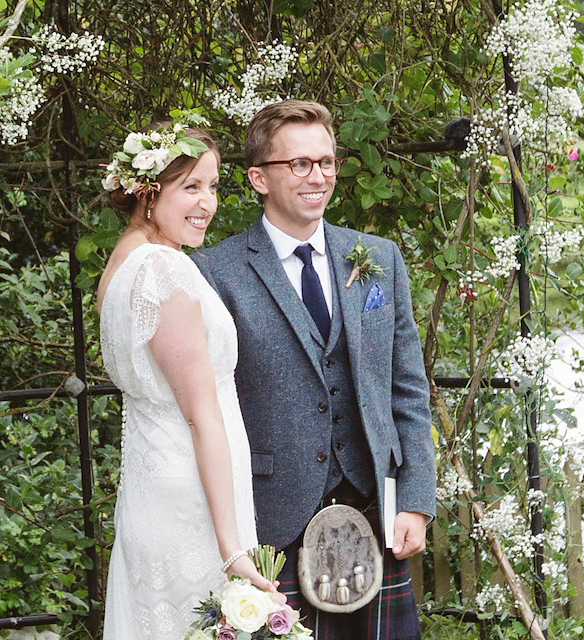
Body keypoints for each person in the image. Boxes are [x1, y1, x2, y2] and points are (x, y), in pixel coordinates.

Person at [193, 100, 435, 639]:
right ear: (258, 177)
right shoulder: (216, 272)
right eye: (299, 164)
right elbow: (206, 407)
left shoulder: (377, 258)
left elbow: (408, 390)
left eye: (326, 162)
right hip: (273, 520)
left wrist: (415, 499)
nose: (318, 176)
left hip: (374, 512)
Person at [96, 118, 279, 639]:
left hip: (156, 492)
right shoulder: (162, 270)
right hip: (194, 509)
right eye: (190, 187)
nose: (207, 204)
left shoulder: (124, 263)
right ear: (148, 192)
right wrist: (232, 549)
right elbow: (202, 414)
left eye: (214, 187)